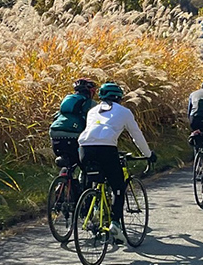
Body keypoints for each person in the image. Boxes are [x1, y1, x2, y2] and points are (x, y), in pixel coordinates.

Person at [78, 82, 155, 245]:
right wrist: (148, 154)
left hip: (84, 149)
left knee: (94, 179)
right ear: (119, 97)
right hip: (107, 149)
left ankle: (93, 210)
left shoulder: (92, 111)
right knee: (118, 186)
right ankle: (115, 223)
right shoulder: (124, 112)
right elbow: (137, 135)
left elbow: (93, 133)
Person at [49, 78, 96, 172]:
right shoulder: (90, 103)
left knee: (68, 162)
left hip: (54, 133)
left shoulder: (67, 101)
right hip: (73, 135)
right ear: (90, 91)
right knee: (86, 163)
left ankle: (63, 181)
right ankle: (84, 184)